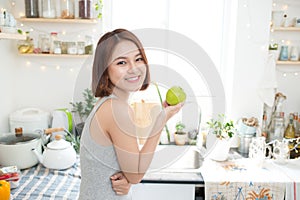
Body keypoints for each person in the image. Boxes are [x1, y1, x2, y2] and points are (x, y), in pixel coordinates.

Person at [78, 28, 183, 199]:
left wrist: (126, 177)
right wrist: (161, 119)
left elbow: (125, 169)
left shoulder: (108, 103)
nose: (134, 69)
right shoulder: (117, 109)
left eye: (138, 59)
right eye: (121, 62)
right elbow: (136, 175)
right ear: (105, 70)